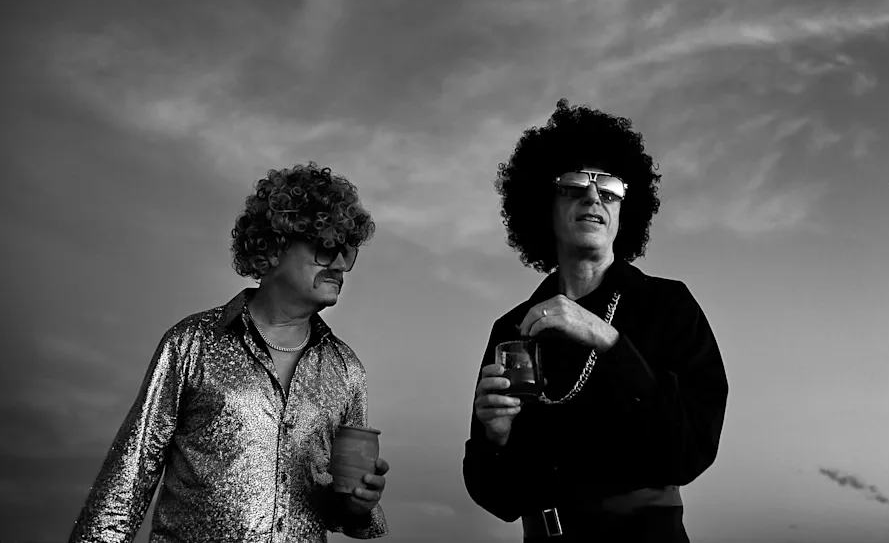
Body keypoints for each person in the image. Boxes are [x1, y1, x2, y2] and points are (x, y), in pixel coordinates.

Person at [69, 163, 388, 542]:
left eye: (347, 252)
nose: (339, 265)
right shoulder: (192, 343)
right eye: (325, 247)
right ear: (273, 248)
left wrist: (358, 504)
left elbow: (341, 505)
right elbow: (126, 484)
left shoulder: (347, 370)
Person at [463, 100, 728, 542]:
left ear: (625, 209)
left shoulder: (668, 306)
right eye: (573, 186)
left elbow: (690, 451)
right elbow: (499, 498)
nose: (593, 197)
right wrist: (496, 437)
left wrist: (607, 340)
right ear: (544, 203)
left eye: (609, 189)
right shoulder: (511, 330)